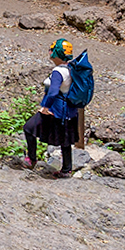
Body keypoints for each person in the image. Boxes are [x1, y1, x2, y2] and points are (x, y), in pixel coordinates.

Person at [22, 37, 81, 177]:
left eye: (52, 50)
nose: (50, 52)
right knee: (64, 140)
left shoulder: (58, 72)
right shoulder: (72, 69)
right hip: (69, 111)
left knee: (29, 128)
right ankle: (66, 170)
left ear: (57, 54)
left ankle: (31, 159)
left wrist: (45, 107)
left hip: (55, 110)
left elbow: (53, 92)